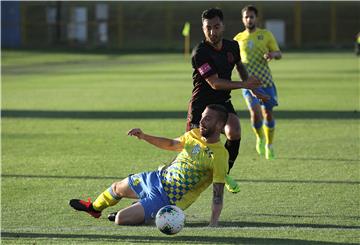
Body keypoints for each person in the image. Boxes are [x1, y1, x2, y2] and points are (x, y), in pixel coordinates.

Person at [70, 104, 230, 227]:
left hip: (167, 198)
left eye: (208, 119)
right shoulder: (193, 135)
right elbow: (170, 143)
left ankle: (142, 212)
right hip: (155, 178)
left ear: (219, 125)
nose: (201, 121)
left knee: (120, 219)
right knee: (116, 188)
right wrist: (144, 136)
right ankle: (94, 208)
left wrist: (213, 223)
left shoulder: (220, 156)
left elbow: (217, 194)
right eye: (202, 117)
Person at [187, 8, 262, 193]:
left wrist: (250, 86)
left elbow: (240, 67)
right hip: (201, 106)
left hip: (222, 102)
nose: (212, 32)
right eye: (208, 28)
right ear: (203, 29)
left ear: (223, 26)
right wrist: (244, 85)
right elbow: (215, 83)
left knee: (234, 131)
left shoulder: (232, 46)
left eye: (216, 26)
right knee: (192, 156)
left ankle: (224, 173)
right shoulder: (200, 53)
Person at [233, 5, 282, 160]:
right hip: (248, 83)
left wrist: (273, 54)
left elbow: (279, 53)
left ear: (256, 18)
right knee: (255, 113)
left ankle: (269, 144)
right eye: (246, 17)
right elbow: (232, 60)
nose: (249, 19)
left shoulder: (266, 35)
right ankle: (260, 138)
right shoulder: (238, 39)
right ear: (243, 19)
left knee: (267, 113)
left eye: (252, 16)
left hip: (265, 82)